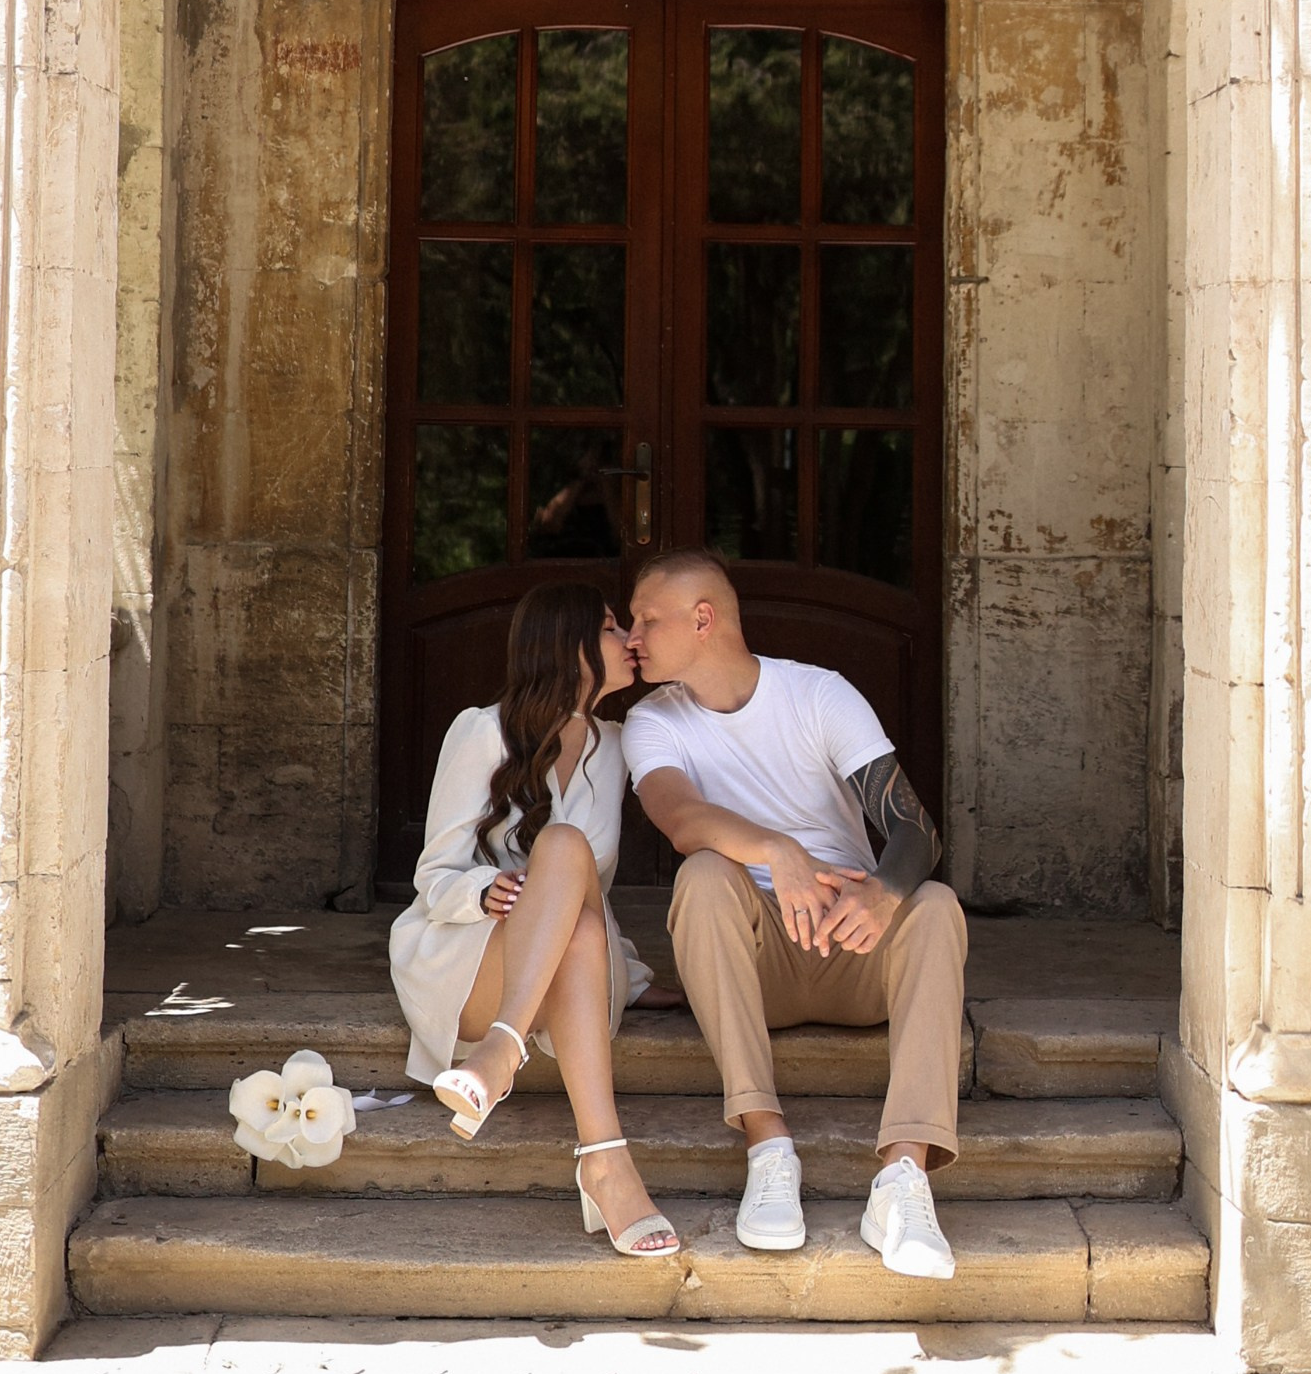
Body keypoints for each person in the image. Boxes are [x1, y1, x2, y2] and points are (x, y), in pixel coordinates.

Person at [623, 548, 963, 1281]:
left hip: (854, 949)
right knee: (705, 874)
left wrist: (884, 892)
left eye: (647, 618)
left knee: (933, 904)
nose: (632, 635)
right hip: (756, 963)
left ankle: (904, 1178)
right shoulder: (651, 723)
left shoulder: (817, 695)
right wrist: (777, 850)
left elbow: (916, 831)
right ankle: (767, 1143)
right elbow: (680, 818)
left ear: (703, 619)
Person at [388, 581, 679, 1258]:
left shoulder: (616, 745)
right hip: (473, 962)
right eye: (612, 628)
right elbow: (433, 877)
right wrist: (483, 889)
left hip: (567, 976)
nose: (630, 640)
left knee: (573, 884)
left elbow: (585, 897)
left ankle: (504, 1054)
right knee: (565, 846)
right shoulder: (482, 732)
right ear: (569, 647)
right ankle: (605, 1161)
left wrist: (632, 976)